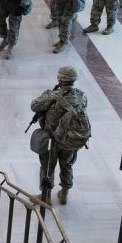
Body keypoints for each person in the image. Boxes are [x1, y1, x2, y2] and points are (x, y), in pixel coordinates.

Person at [29, 66, 90, 205]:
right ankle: (64, 194)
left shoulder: (54, 97)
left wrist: (47, 95)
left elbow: (34, 106)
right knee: (67, 165)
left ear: (60, 79)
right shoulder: (82, 96)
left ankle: (46, 197)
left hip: (53, 140)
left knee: (47, 167)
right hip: (70, 140)